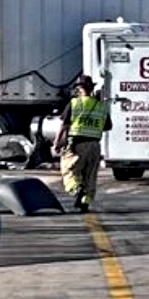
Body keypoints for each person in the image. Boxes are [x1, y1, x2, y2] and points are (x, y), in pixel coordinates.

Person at [54, 73, 111, 212]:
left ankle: (75, 187)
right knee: (90, 175)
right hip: (95, 146)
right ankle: (84, 202)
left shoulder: (74, 104)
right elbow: (108, 126)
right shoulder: (101, 106)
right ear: (91, 88)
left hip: (77, 145)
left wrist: (56, 143)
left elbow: (64, 125)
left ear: (79, 89)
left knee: (69, 169)